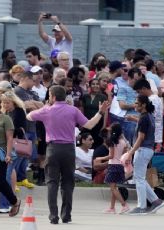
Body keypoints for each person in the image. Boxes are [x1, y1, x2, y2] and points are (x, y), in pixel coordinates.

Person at [27, 85, 109, 224]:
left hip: (53, 148)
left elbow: (29, 117)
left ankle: (53, 215)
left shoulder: (47, 110)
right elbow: (89, 125)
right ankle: (66, 215)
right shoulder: (73, 110)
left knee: (52, 182)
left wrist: (43, 106)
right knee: (68, 183)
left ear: (52, 96)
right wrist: (100, 112)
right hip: (69, 149)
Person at [124, 95, 164, 215]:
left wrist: (131, 152)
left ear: (143, 105)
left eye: (137, 103)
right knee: (139, 178)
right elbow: (144, 123)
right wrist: (133, 118)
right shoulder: (148, 116)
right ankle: (156, 201)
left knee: (139, 179)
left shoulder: (144, 117)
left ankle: (141, 206)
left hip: (142, 150)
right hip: (147, 150)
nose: (134, 105)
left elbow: (141, 137)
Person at [0, 91, 28, 213]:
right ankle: (9, 202)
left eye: (7, 102)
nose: (5, 105)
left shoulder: (18, 111)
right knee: (6, 175)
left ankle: (6, 205)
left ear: (13, 101)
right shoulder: (6, 112)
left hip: (15, 145)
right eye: (3, 102)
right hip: (8, 145)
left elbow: (18, 129)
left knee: (6, 175)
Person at [96, 123, 130, 214]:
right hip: (120, 166)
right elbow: (124, 153)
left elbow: (111, 156)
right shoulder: (123, 142)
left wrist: (100, 158)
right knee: (114, 188)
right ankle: (112, 207)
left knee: (113, 188)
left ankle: (124, 205)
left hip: (113, 166)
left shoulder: (111, 142)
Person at [80, 78, 107, 148]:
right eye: (93, 84)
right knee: (85, 143)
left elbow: (105, 111)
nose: (95, 86)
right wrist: (81, 123)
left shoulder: (103, 97)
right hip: (86, 122)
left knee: (96, 143)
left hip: (98, 124)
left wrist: (104, 125)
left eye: (97, 84)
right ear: (90, 86)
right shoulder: (85, 96)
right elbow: (82, 109)